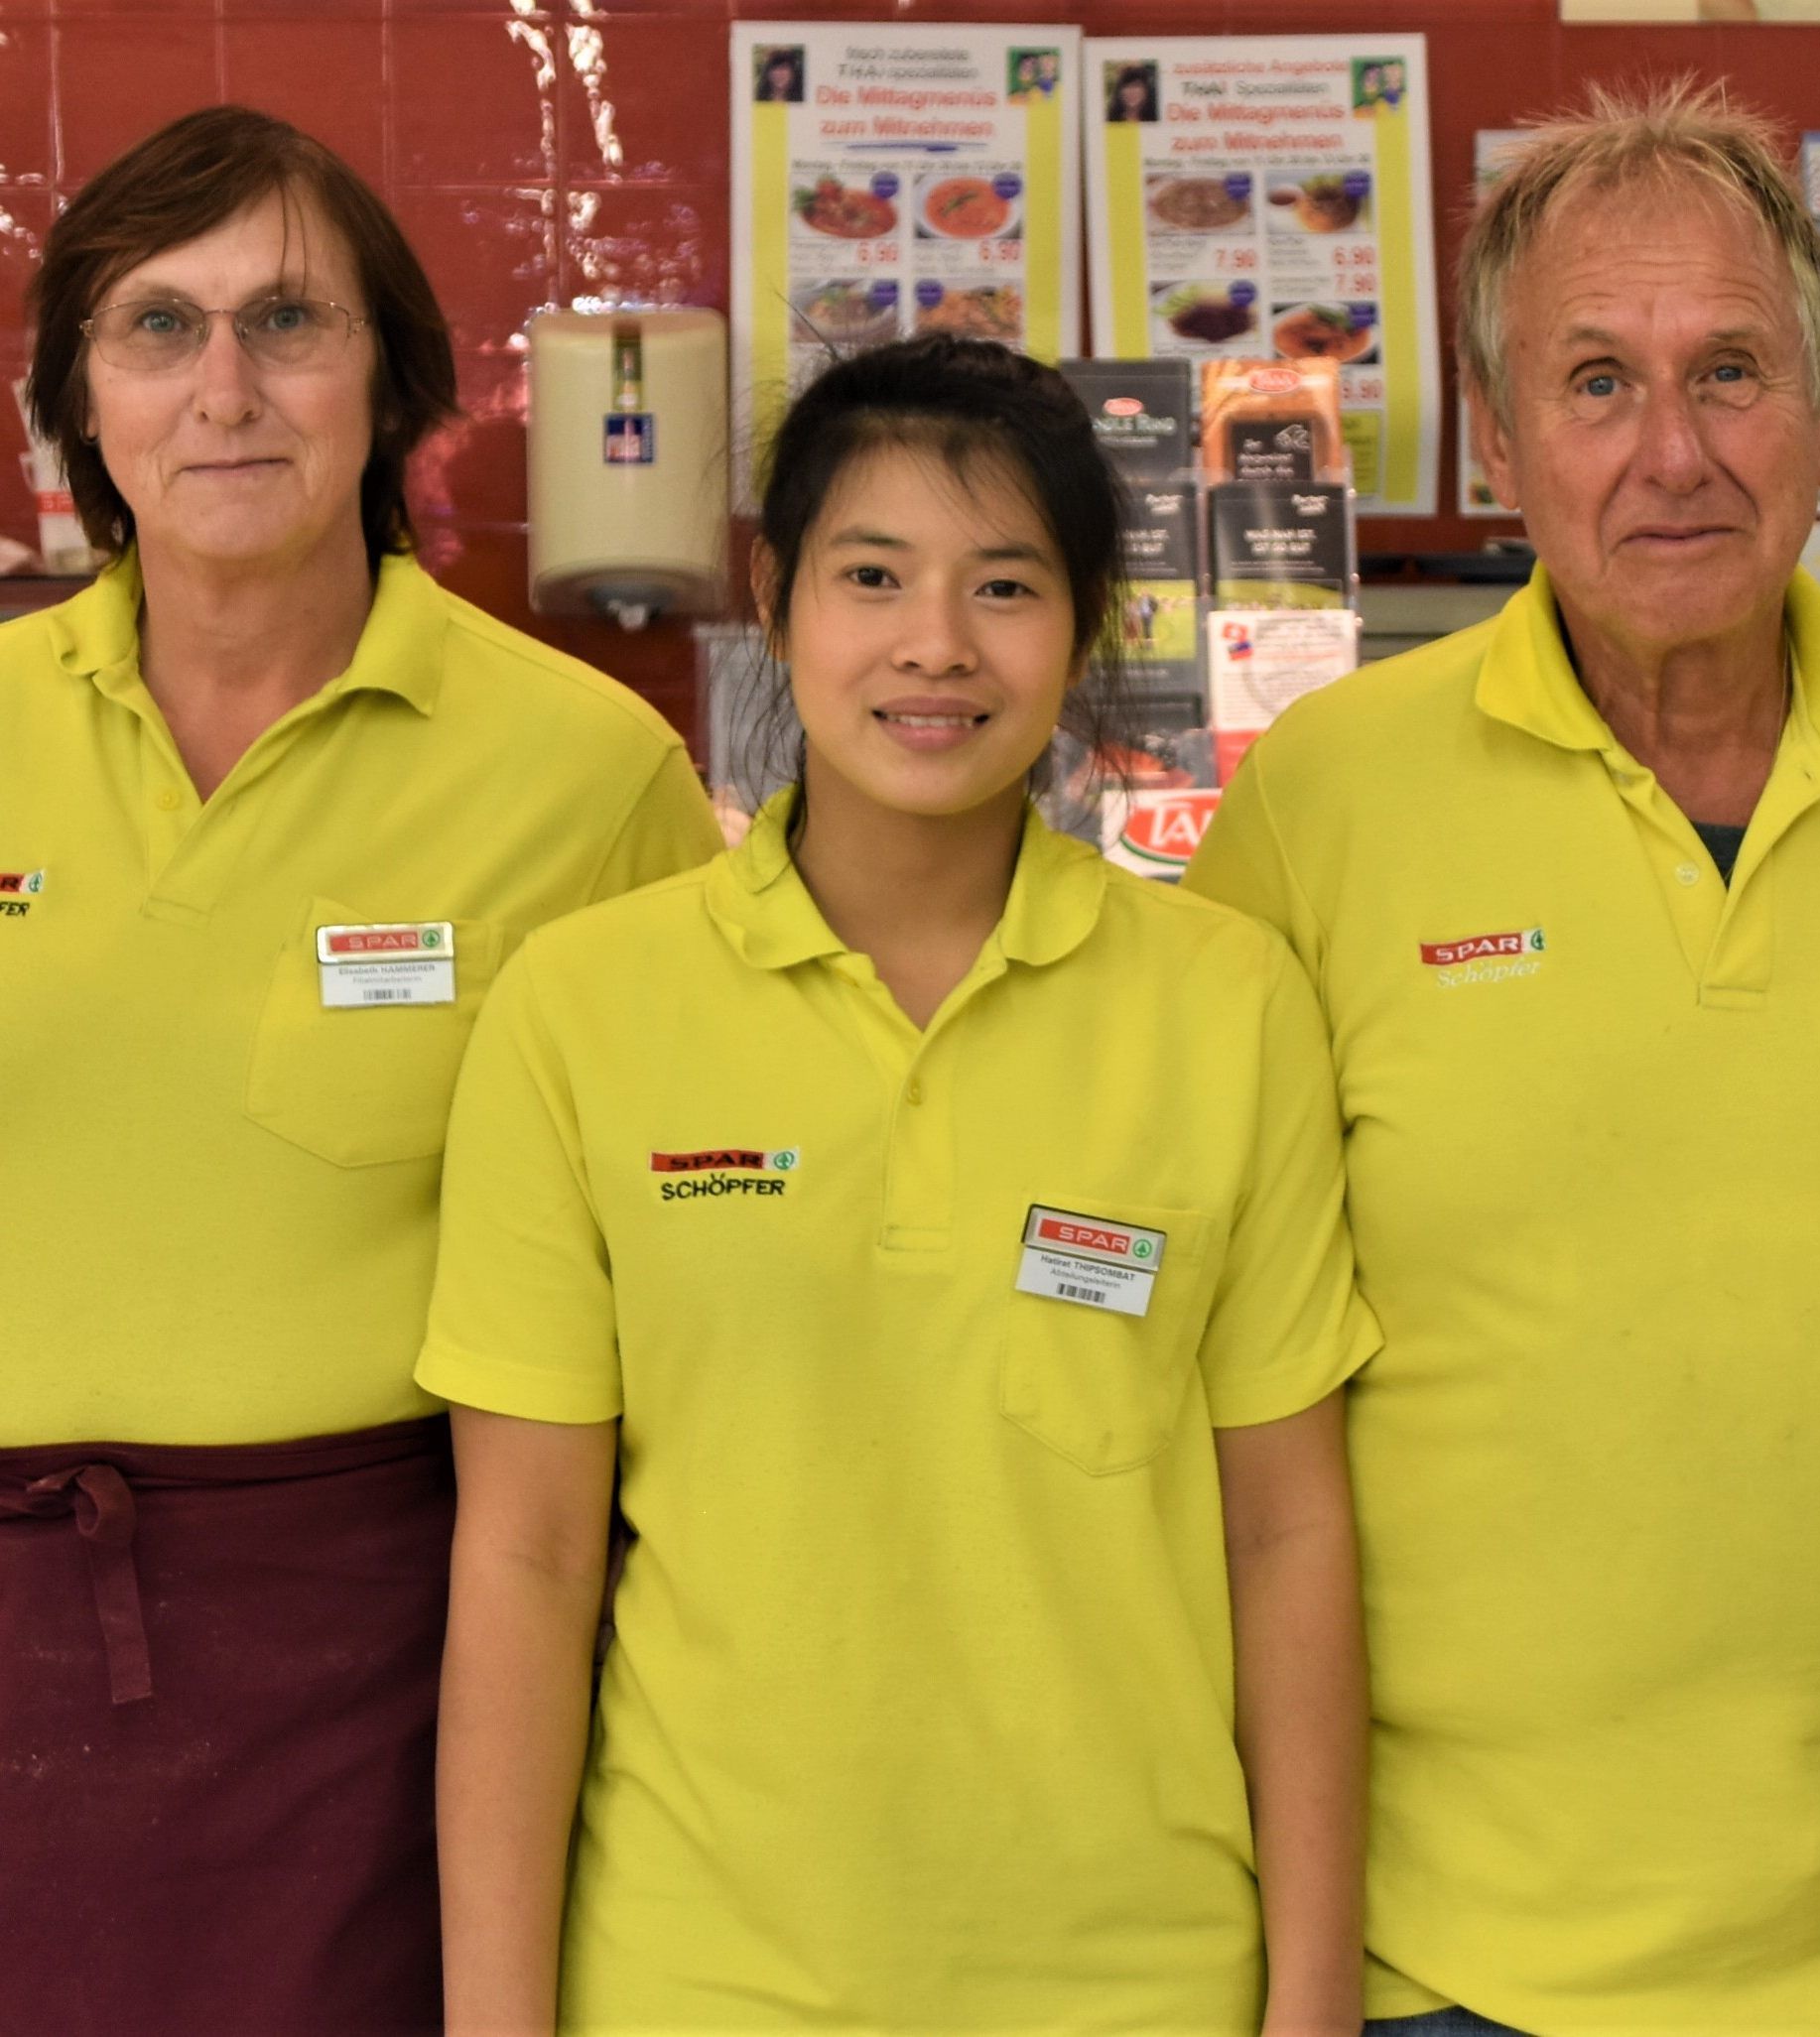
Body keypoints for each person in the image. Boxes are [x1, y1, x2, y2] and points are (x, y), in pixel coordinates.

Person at [1184, 78, 1820, 2037]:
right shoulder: (1324, 804)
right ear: (1499, 438)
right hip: (1437, 1949)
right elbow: (1202, 1373)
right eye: (1594, 382)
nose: (1669, 453)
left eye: (1731, 371)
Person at [426, 334, 1373, 2035]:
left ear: (1089, 626)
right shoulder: (580, 1012)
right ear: (778, 600)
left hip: (1138, 1978)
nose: (935, 643)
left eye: (1003, 584)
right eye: (873, 576)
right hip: (699, 1981)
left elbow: (1287, 1532)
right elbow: (528, 1561)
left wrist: (1305, 2000)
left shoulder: (1228, 1008)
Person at [0, 105, 718, 2032]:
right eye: (158, 328)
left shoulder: (584, 778)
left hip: (394, 1665)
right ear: (77, 398)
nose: (222, 390)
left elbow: (697, 1272)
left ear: (393, 383)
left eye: (287, 324)